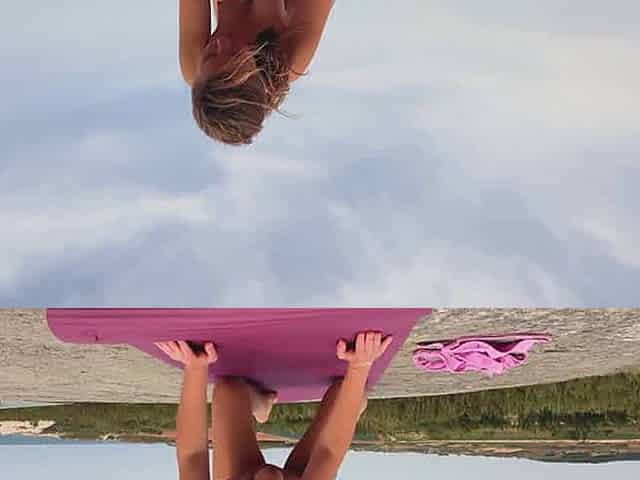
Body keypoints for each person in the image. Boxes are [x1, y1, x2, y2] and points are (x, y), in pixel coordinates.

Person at [155, 331, 393, 480]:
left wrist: (196, 367)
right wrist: (360, 365)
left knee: (228, 389)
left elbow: (193, 455)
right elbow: (328, 451)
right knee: (346, 391)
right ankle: (356, 404)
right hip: (301, 474)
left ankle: (259, 404)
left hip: (239, 472)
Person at [179, 0, 335, 145]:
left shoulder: (196, 69)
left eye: (211, 54)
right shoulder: (290, 53)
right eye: (234, 53)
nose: (222, 42)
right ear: (254, 70)